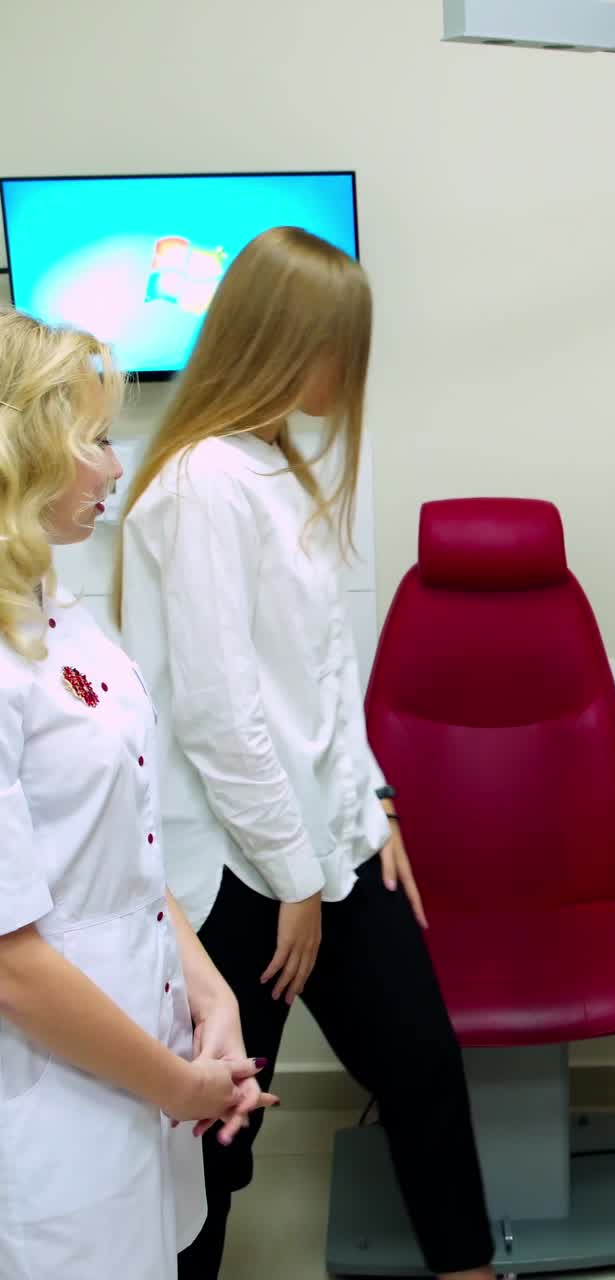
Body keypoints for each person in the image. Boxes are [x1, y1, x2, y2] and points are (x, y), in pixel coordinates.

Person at [114, 226, 496, 1280]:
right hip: (241, 872)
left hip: (327, 847)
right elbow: (218, 712)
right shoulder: (202, 483)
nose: (350, 370)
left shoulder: (279, 465)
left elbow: (323, 675)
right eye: (339, 346)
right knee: (222, 1130)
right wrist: (294, 878)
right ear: (283, 342)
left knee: (422, 1065)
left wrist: (375, 806)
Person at [0, 309, 275, 1279]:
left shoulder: (62, 612)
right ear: (24, 446)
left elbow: (125, 851)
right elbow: (11, 965)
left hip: (141, 1064)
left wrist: (211, 992)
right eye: (97, 439)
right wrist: (178, 1085)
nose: (116, 468)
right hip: (53, 1104)